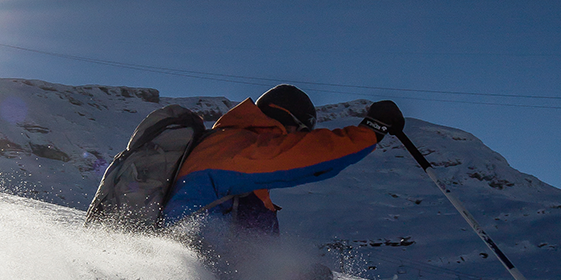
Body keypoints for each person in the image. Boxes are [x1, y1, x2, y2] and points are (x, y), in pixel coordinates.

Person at [160, 85, 405, 237]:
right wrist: (372, 131)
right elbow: (308, 156)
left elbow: (250, 248)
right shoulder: (233, 148)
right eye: (300, 135)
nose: (298, 141)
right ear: (290, 124)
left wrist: (292, 277)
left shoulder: (244, 171)